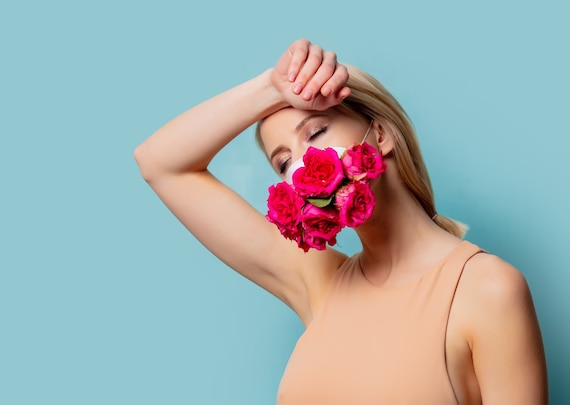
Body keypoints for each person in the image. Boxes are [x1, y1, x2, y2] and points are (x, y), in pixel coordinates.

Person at [134, 39, 547, 404]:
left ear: (381, 134)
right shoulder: (318, 280)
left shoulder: (488, 289)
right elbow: (160, 163)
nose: (301, 167)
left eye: (315, 133)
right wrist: (270, 88)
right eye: (283, 162)